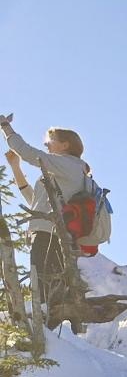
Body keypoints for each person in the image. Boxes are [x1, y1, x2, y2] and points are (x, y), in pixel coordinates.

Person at [1, 116, 89, 324]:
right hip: (47, 233)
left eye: (50, 140)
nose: (46, 144)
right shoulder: (62, 172)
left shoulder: (69, 164)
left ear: (65, 145)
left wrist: (6, 128)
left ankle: (47, 331)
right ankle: (48, 329)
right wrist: (15, 167)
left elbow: (30, 153)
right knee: (44, 286)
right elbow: (35, 203)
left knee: (44, 289)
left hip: (51, 235)